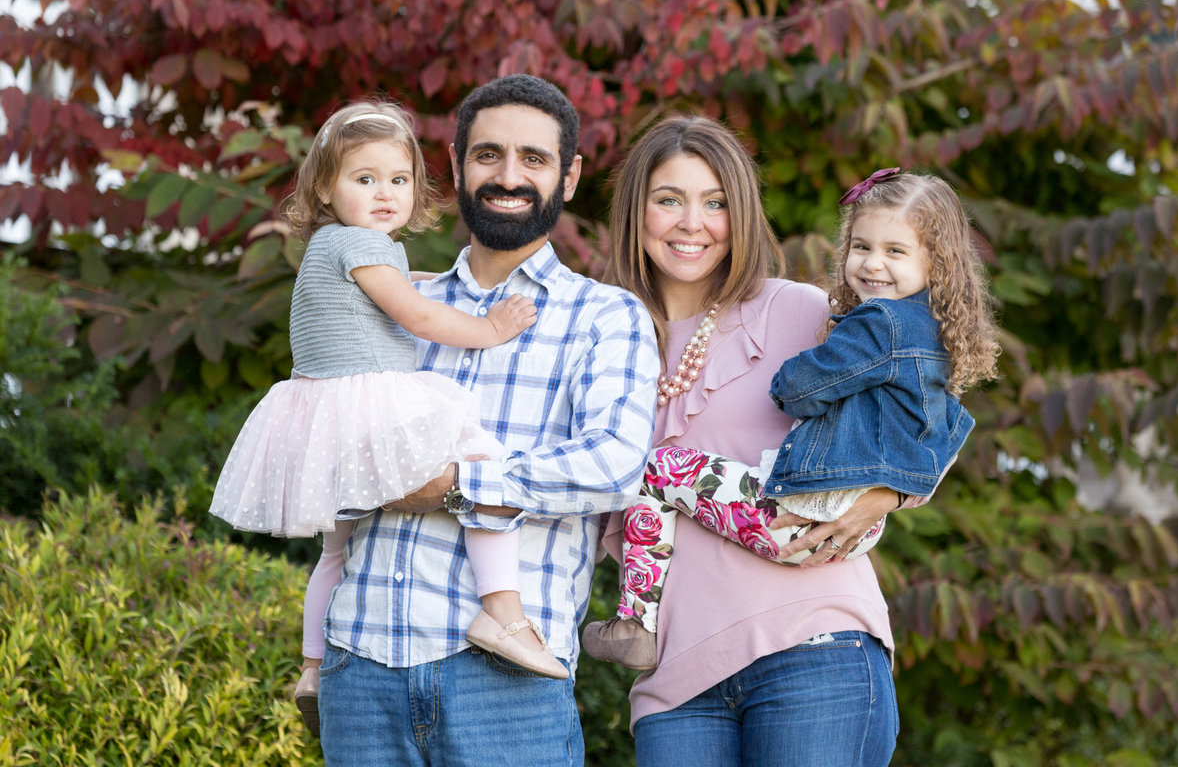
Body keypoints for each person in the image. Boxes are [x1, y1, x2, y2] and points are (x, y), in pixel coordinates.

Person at [585, 115, 995, 766]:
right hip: (673, 684)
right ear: (636, 211)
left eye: (715, 202)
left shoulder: (799, 311)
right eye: (669, 199)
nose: (692, 222)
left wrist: (889, 495)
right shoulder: (596, 337)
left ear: (740, 213)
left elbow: (929, 404)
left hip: (813, 649)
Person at [316, 75, 659, 766]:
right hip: (360, 663)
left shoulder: (606, 317)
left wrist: (451, 485)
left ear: (569, 175)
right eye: (488, 155)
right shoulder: (393, 302)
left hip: (504, 683)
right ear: (454, 165)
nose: (509, 176)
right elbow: (324, 446)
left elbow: (613, 466)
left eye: (533, 159)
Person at [208, 98, 567, 739]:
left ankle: (313, 666)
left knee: (336, 552)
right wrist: (490, 326)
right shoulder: (357, 246)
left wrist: (423, 278)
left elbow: (395, 286)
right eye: (364, 179)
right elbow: (420, 317)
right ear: (325, 186)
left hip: (324, 411)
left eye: (398, 180)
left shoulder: (341, 248)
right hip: (367, 402)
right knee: (480, 461)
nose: (384, 193)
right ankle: (503, 613)